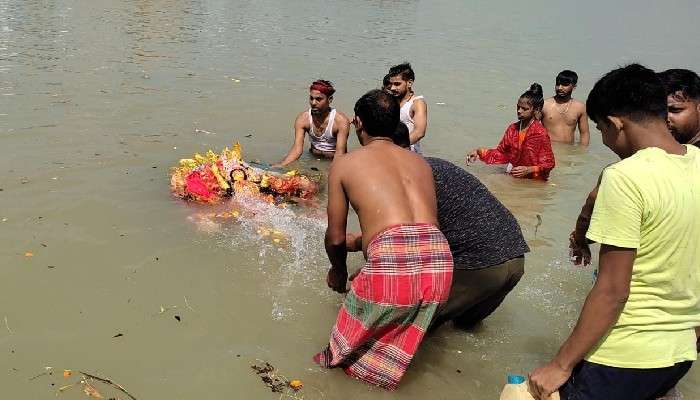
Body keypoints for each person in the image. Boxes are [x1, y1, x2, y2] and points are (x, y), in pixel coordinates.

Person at [528, 64, 700, 400]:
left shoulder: (624, 177)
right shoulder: (695, 160)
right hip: (679, 353)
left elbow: (612, 290)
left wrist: (561, 365)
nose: (604, 141)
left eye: (601, 130)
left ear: (615, 123)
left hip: (624, 355)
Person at [314, 89, 453, 390]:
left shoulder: (345, 164)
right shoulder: (421, 164)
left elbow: (335, 237)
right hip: (440, 260)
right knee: (392, 357)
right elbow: (416, 230)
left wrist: (338, 271)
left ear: (359, 124)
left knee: (336, 360)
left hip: (393, 256)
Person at [378, 124, 530, 330]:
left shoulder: (407, 178)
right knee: (463, 331)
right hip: (515, 259)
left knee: (409, 330)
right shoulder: (436, 164)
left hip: (481, 265)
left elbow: (411, 238)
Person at [570, 68, 700, 266]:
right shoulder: (671, 154)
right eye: (661, 111)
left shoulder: (628, 172)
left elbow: (595, 199)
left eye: (675, 110)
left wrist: (581, 237)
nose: (665, 119)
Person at [467, 84, 556, 179]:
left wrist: (528, 169)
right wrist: (479, 152)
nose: (519, 111)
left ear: (536, 110)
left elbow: (549, 163)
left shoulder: (540, 133)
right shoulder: (512, 129)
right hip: (515, 176)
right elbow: (501, 153)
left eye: (524, 109)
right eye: (518, 107)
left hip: (534, 180)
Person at [275, 80, 350, 167]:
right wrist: (280, 165)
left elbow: (339, 155)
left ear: (330, 100)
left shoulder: (340, 121)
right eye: (311, 98)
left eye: (318, 99)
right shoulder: (303, 119)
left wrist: (329, 174)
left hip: (332, 161)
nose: (313, 103)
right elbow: (297, 150)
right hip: (313, 158)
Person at [386, 62, 427, 153]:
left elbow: (419, 132)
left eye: (397, 84)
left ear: (409, 83)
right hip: (390, 152)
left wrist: (396, 148)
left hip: (409, 154)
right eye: (391, 84)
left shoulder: (417, 103)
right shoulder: (391, 101)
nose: (392, 88)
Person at [541, 70, 590, 145]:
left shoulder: (580, 107)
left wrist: (582, 152)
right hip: (549, 149)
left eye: (564, 85)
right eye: (557, 84)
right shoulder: (544, 105)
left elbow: (584, 133)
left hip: (570, 152)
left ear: (574, 87)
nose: (560, 88)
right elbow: (531, 128)